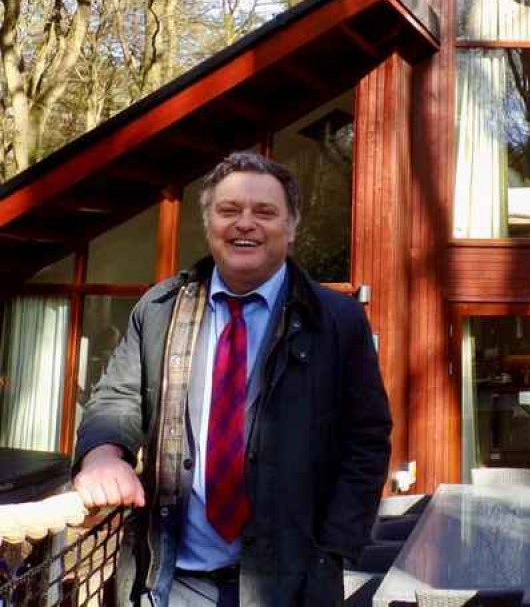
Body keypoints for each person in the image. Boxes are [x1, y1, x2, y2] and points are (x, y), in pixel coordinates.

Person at [73, 152, 392, 607]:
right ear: (209, 224)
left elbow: (367, 438)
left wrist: (332, 550)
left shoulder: (337, 321)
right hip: (169, 579)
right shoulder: (159, 308)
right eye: (229, 211)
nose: (246, 224)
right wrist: (103, 456)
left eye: (264, 212)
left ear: (292, 227)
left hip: (290, 584)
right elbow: (116, 397)